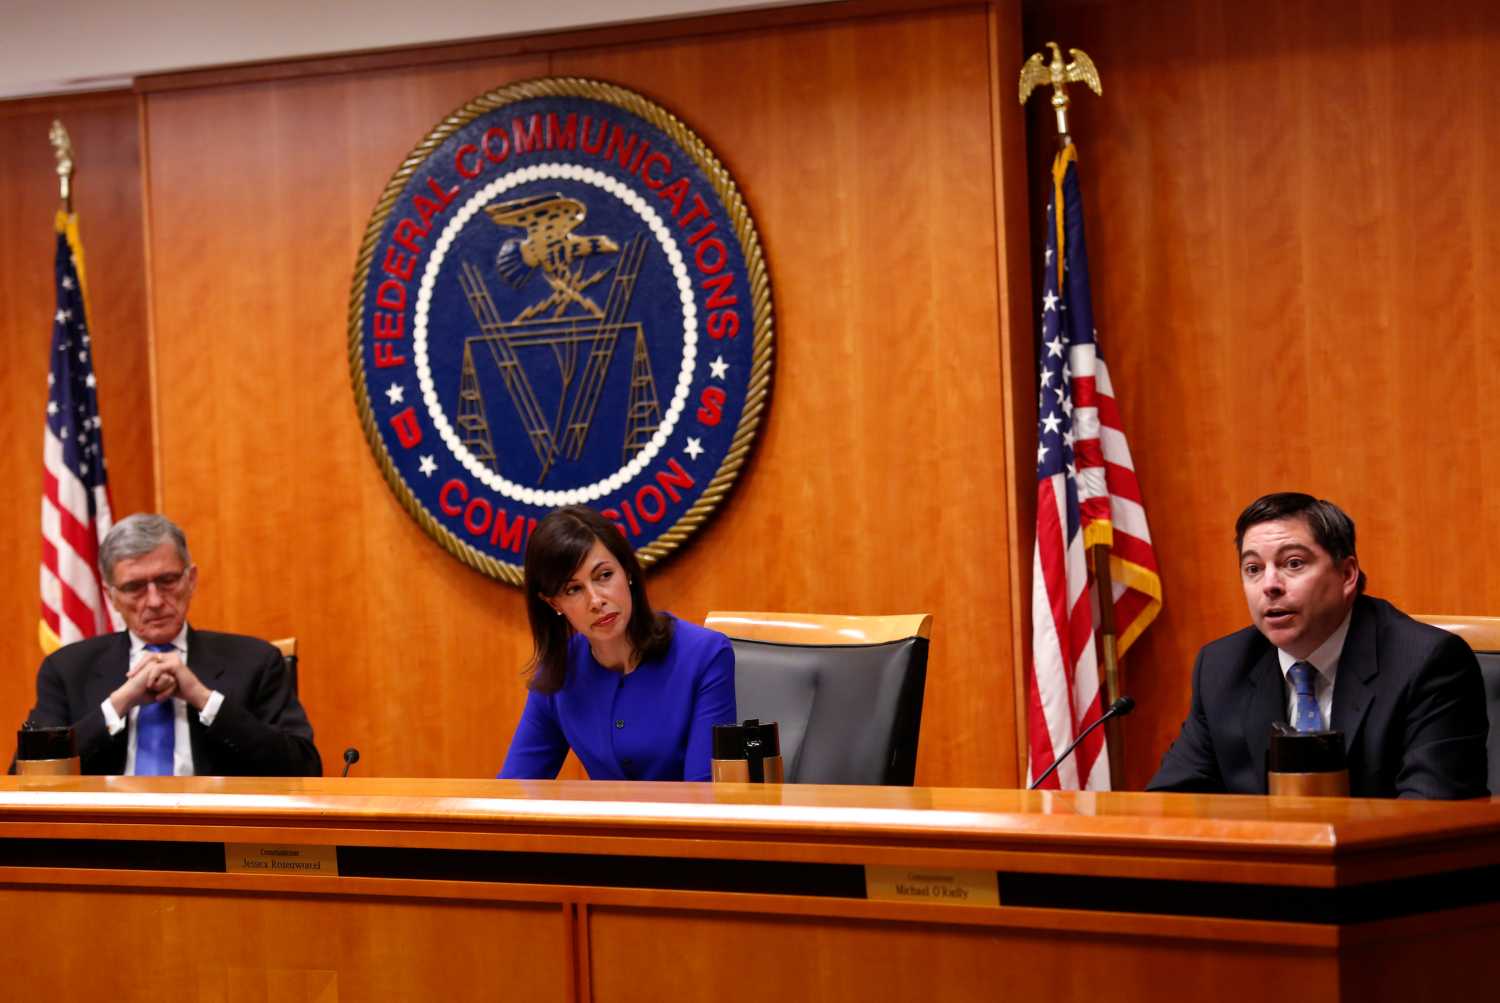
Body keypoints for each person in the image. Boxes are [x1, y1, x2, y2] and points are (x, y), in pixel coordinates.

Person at [1148, 492, 1488, 799]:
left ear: (1347, 574)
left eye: (1293, 563)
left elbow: (1430, 814)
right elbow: (1174, 802)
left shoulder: (1426, 662)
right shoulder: (1222, 666)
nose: (1269, 585)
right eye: (1253, 569)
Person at [17, 513, 320, 776]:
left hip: (216, 834)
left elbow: (303, 769)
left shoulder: (256, 661)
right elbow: (28, 776)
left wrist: (204, 699)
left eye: (167, 580)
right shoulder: (68, 669)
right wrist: (117, 705)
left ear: (191, 580)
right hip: (104, 837)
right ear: (110, 595)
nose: (155, 601)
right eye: (134, 587)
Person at [498, 505, 736, 781]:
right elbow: (515, 791)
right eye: (573, 589)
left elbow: (705, 797)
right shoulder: (559, 674)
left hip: (682, 823)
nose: (596, 600)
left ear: (628, 571)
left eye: (604, 576)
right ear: (554, 603)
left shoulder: (705, 655)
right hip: (605, 825)